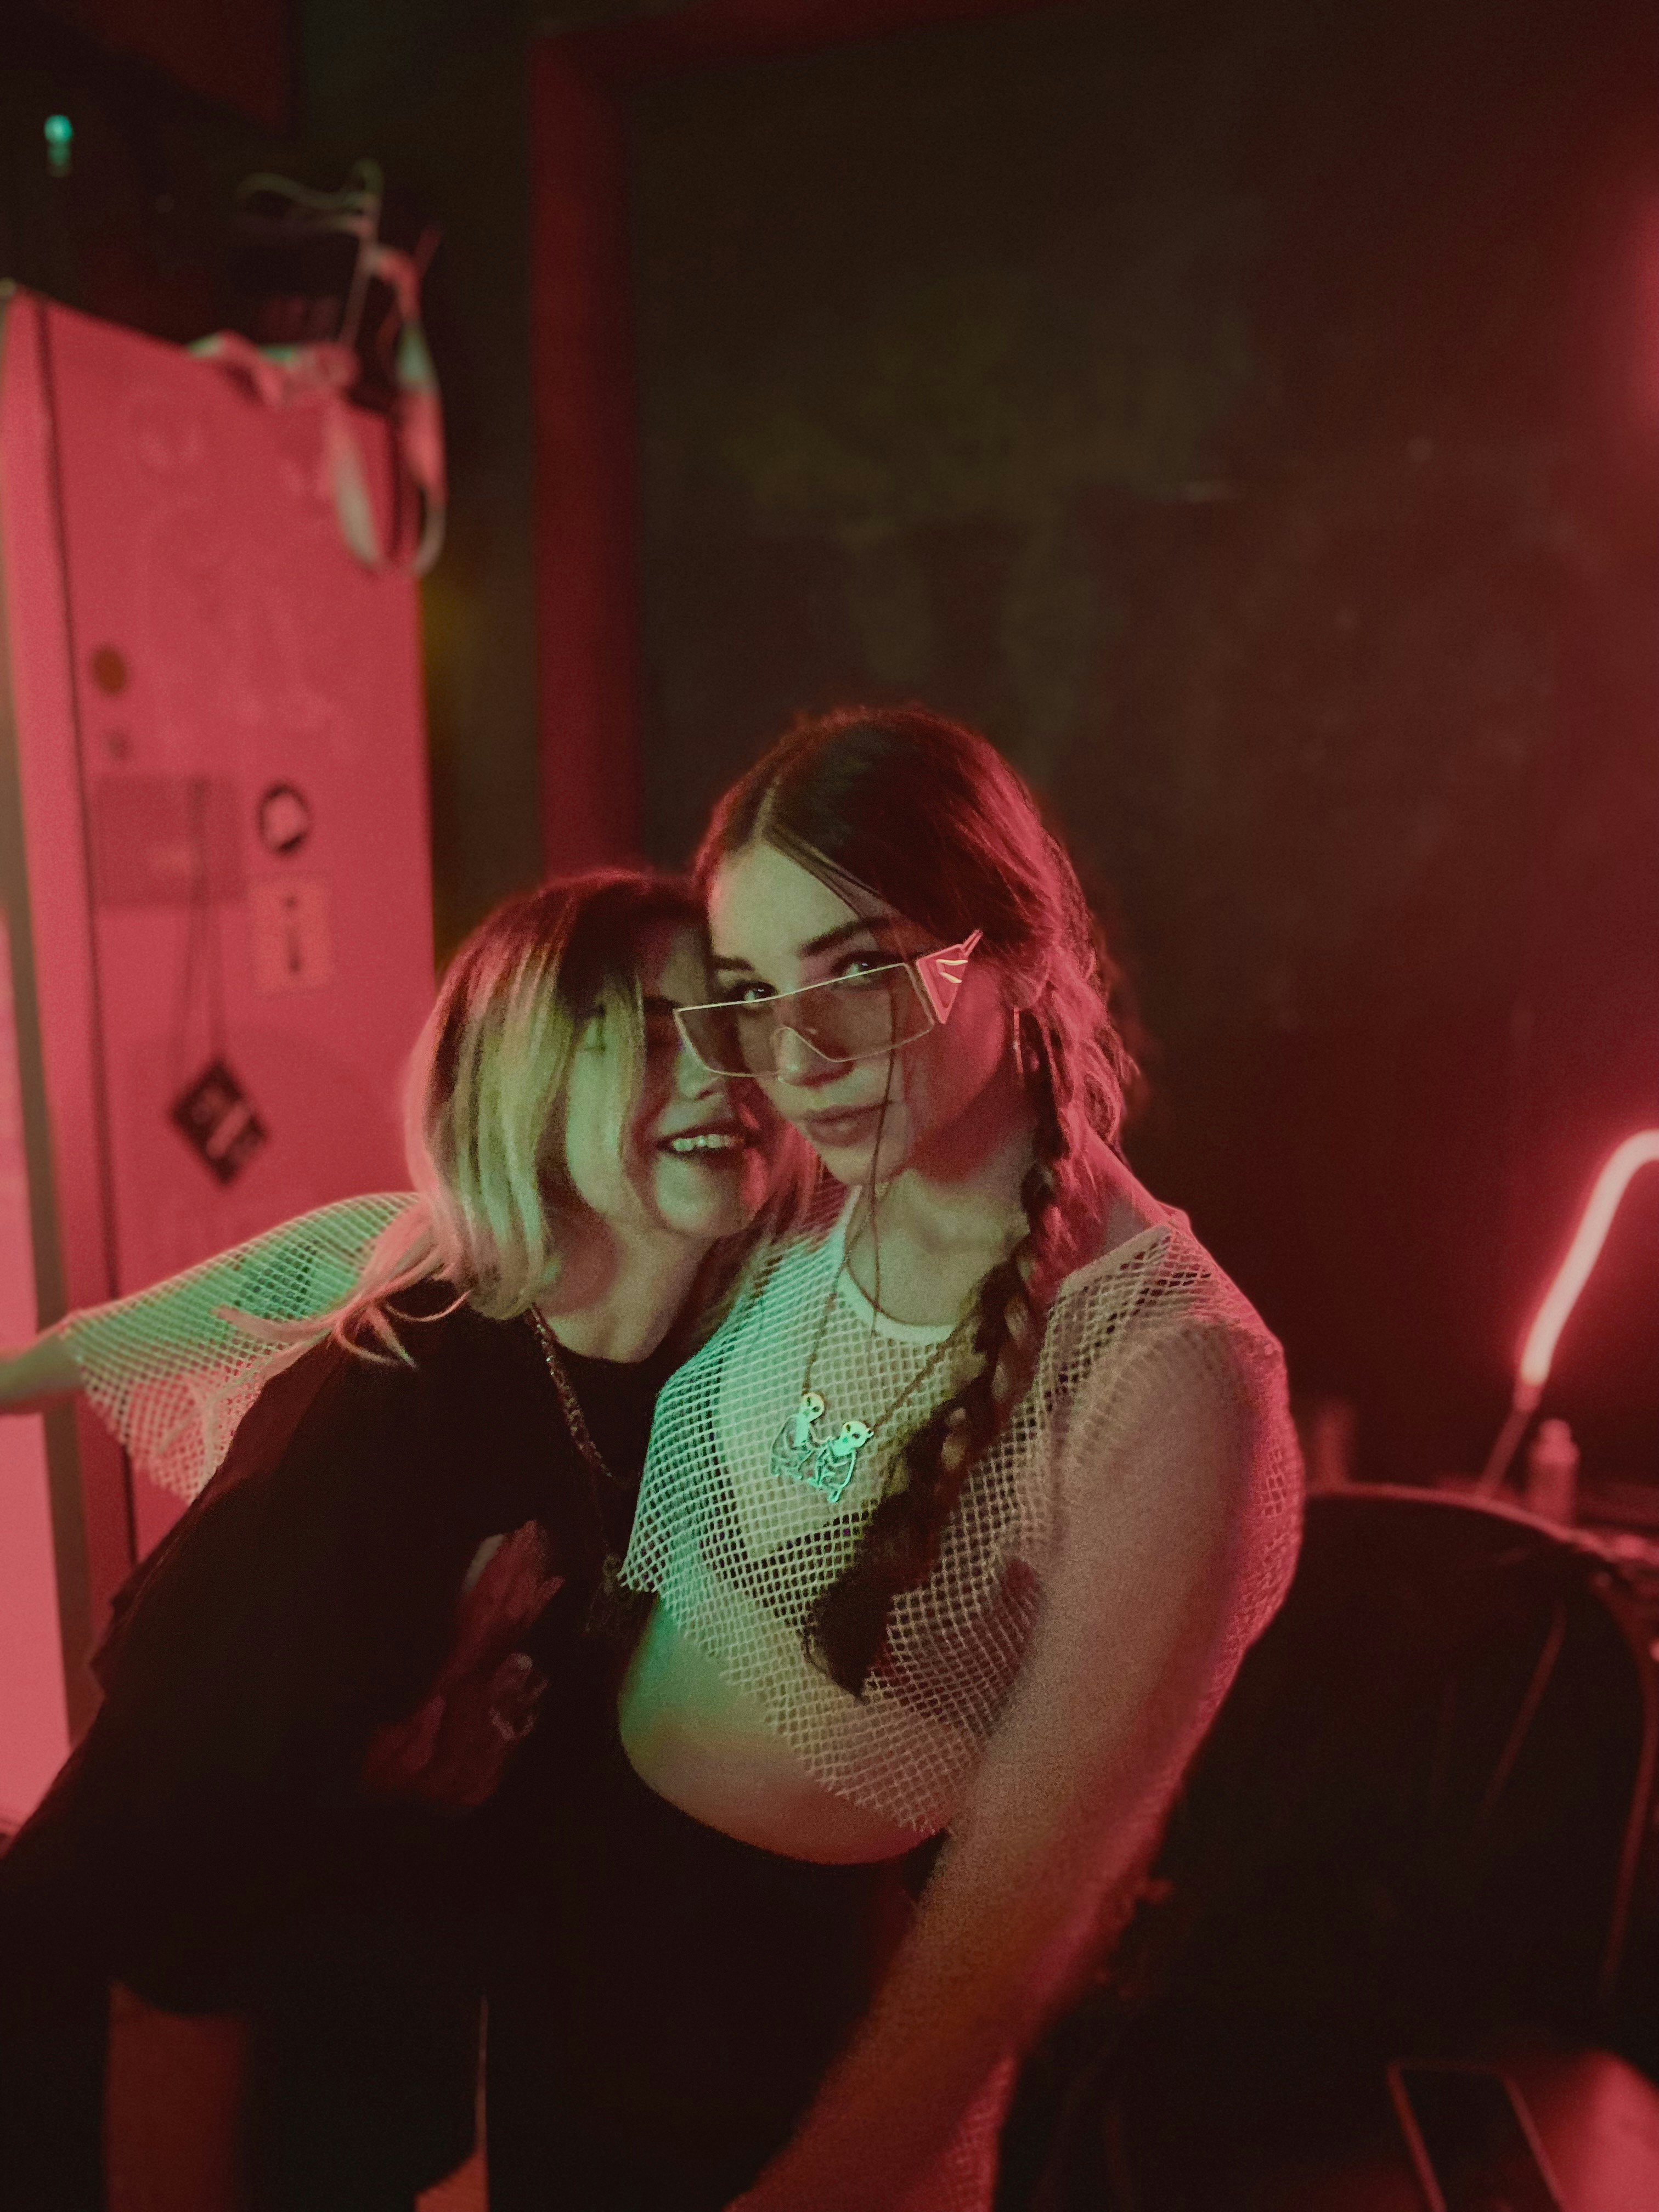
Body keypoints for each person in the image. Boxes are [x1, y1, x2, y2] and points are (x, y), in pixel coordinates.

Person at [487, 703, 1305, 2212]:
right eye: (752, 994)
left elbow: (1018, 1920)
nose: (798, 1056)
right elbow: (500, 1253)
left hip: (812, 2061)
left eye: (860, 972)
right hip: (571, 1967)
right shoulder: (799, 1190)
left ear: (1021, 953)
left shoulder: (1167, 1371)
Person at [0, 867, 799, 2212]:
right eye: (651, 1033)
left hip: (348, 2082)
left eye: (734, 1019)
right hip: (97, 2083)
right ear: (524, 1084)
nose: (720, 1072)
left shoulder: (716, 1376)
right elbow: (168, 1918)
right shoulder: (394, 1397)